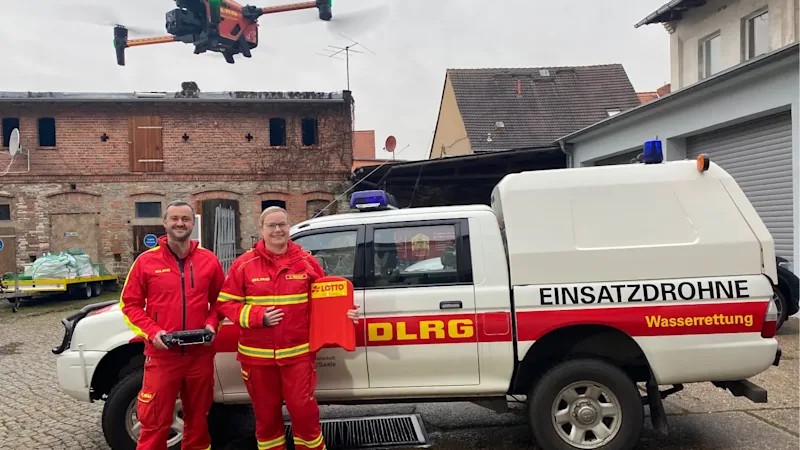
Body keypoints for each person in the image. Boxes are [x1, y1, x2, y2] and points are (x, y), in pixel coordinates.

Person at [217, 206, 358, 450]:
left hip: (298, 355)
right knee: (266, 417)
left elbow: (324, 300)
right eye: (271, 225)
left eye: (282, 224)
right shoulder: (243, 265)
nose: (277, 230)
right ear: (261, 229)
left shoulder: (307, 262)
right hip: (257, 358)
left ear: (289, 227)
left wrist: (344, 313)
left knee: (304, 413)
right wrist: (256, 316)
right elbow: (225, 303)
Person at [119, 200, 225, 450]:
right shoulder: (145, 262)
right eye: (175, 219)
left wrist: (211, 324)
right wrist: (153, 332)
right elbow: (129, 305)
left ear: (192, 224)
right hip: (162, 356)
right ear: (165, 223)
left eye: (186, 219)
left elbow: (221, 301)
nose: (180, 223)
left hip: (200, 355)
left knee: (198, 422)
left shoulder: (209, 260)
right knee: (154, 423)